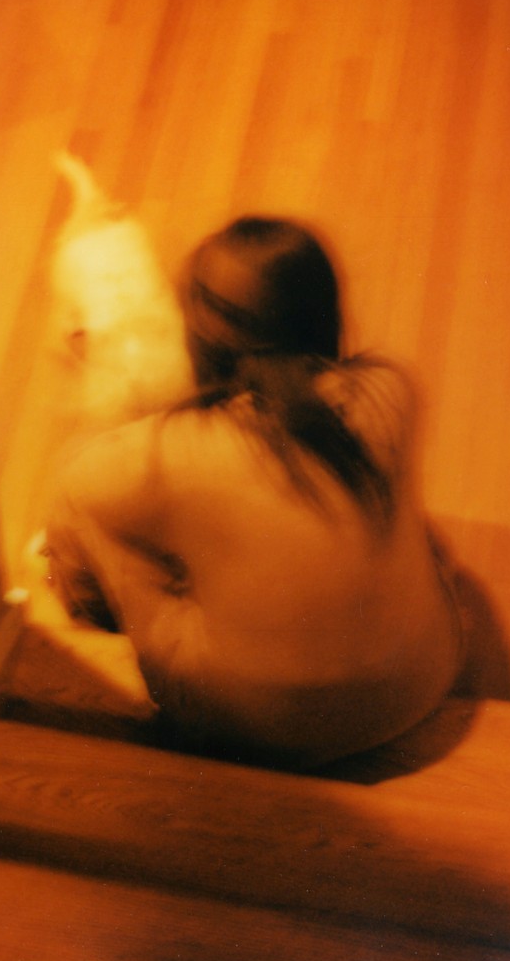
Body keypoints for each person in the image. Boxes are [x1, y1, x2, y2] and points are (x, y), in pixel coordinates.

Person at [41, 217, 463, 768]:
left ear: (198, 333)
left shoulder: (156, 456)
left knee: (91, 518)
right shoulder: (393, 388)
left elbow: (76, 484)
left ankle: (87, 623)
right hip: (419, 685)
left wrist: (99, 404)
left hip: (257, 728)